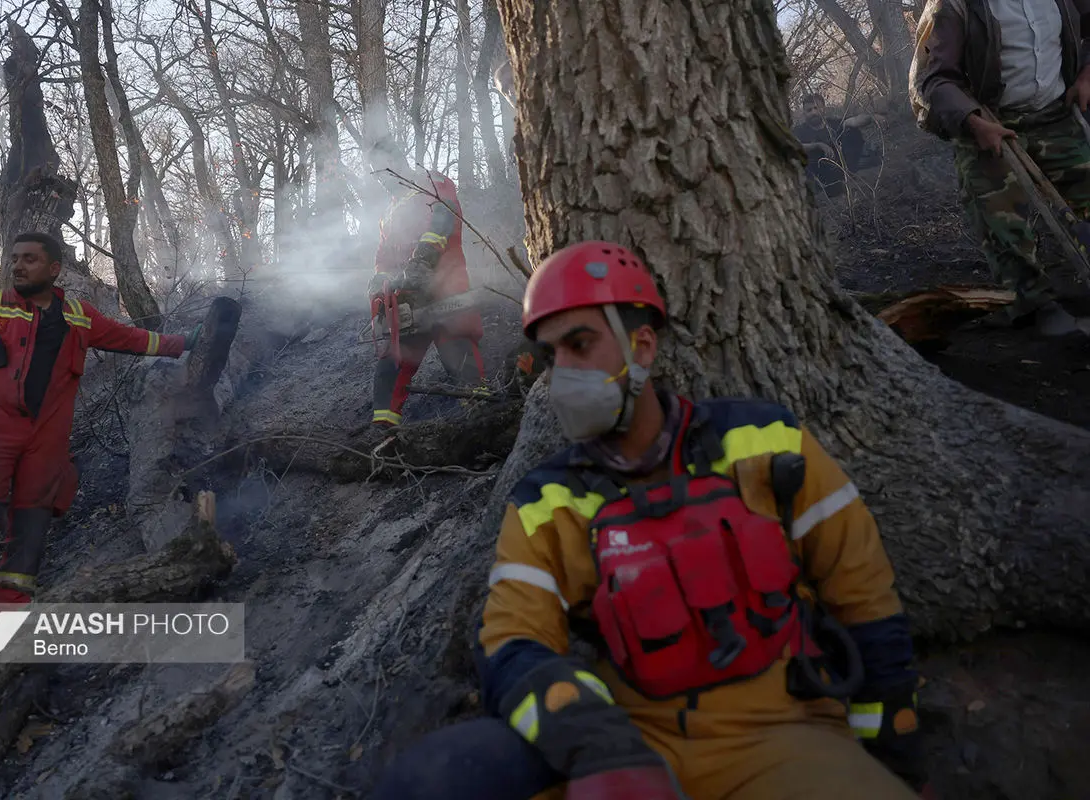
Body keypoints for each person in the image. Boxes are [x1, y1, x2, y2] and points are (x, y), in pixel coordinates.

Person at [372, 241, 932, 800]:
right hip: (629, 744)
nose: (561, 373)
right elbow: (511, 639)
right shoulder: (549, 502)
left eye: (580, 344)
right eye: (550, 356)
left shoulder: (764, 443)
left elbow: (864, 593)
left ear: (642, 347)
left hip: (786, 741)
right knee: (432, 780)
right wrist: (600, 746)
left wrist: (891, 737)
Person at [0, 232, 202, 604]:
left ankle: (7, 618)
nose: (18, 265)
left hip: (46, 440)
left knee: (31, 531)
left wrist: (183, 344)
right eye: (15, 258)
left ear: (54, 269)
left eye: (30, 259)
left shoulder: (78, 316)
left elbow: (131, 339)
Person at [911, 0, 1090, 336]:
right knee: (999, 216)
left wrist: (1086, 74)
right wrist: (974, 122)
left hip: (1055, 114)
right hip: (990, 120)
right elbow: (936, 79)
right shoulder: (957, 6)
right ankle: (1033, 302)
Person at [364, 138, 486, 436]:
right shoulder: (390, 212)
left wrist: (422, 260)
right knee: (389, 371)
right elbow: (383, 254)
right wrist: (380, 277)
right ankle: (382, 442)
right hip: (407, 304)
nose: (380, 178)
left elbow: (444, 219)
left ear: (397, 161)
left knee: (462, 362)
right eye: (374, 172)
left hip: (446, 291)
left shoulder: (432, 183)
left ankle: (485, 425)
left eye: (382, 169)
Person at [793, 92, 877, 197]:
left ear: (823, 108)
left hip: (842, 165)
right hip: (818, 172)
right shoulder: (800, 130)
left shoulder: (834, 123)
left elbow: (854, 121)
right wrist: (818, 145)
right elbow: (794, 146)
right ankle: (828, 188)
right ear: (804, 113)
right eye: (809, 110)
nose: (813, 112)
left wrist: (871, 117)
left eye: (816, 108)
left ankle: (853, 171)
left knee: (851, 131)